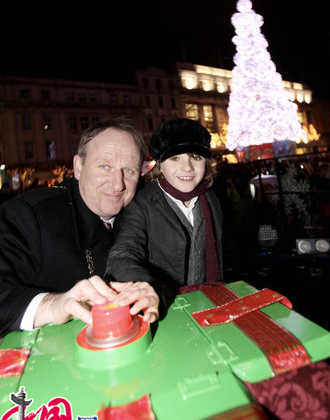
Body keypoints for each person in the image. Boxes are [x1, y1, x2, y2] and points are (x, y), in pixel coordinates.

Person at [0, 119, 159, 338]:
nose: (117, 184)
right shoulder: (28, 215)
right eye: (105, 166)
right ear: (78, 167)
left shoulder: (143, 213)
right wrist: (53, 304)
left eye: (129, 170)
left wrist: (153, 293)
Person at [106, 118, 223, 290]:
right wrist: (142, 287)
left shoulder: (211, 198)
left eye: (196, 157)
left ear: (206, 163)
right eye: (175, 158)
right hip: (165, 303)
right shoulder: (141, 204)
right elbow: (123, 252)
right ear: (160, 164)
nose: (187, 167)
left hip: (206, 297)